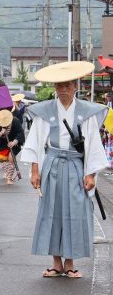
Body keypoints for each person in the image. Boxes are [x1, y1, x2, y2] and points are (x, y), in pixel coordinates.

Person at [21, 61, 109, 279]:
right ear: (54, 87)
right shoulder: (45, 111)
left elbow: (93, 144)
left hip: (76, 165)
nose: (63, 90)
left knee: (75, 213)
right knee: (52, 212)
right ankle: (56, 262)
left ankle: (70, 262)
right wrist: (35, 170)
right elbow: (35, 141)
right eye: (59, 86)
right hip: (51, 164)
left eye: (67, 86)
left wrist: (91, 174)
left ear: (75, 86)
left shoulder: (86, 111)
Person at [0, 109, 25, 184]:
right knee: (1, 159)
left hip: (14, 145)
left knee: (11, 157)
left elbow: (20, 133)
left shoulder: (15, 121)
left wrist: (14, 142)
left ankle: (9, 178)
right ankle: (7, 171)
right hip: (1, 144)